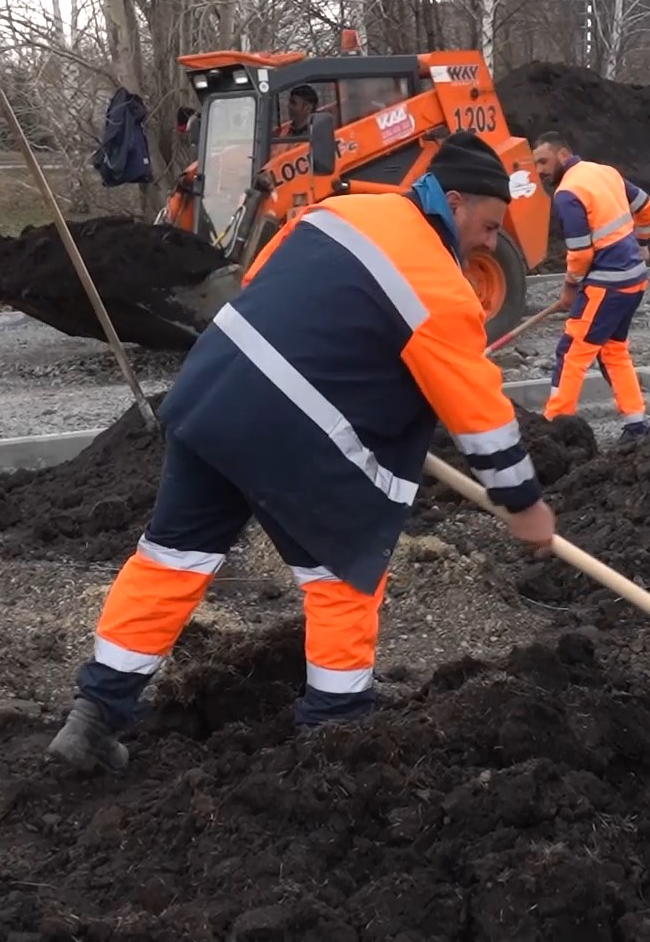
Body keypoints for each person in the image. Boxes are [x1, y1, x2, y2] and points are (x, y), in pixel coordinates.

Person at [47, 132, 559, 773]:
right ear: (453, 203)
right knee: (342, 576)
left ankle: (94, 717)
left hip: (210, 396)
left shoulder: (342, 210)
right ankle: (333, 736)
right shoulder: (442, 289)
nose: (489, 242)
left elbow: (264, 286)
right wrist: (524, 504)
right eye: (487, 225)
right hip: (287, 431)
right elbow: (481, 417)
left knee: (171, 559)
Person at [531, 132, 650, 444]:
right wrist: (642, 243)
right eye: (535, 164)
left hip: (607, 285)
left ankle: (554, 427)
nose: (539, 170)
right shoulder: (604, 172)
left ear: (563, 155)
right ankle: (636, 424)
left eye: (544, 161)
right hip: (634, 280)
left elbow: (580, 253)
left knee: (572, 352)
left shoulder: (567, 193)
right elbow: (647, 206)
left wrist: (569, 288)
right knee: (613, 350)